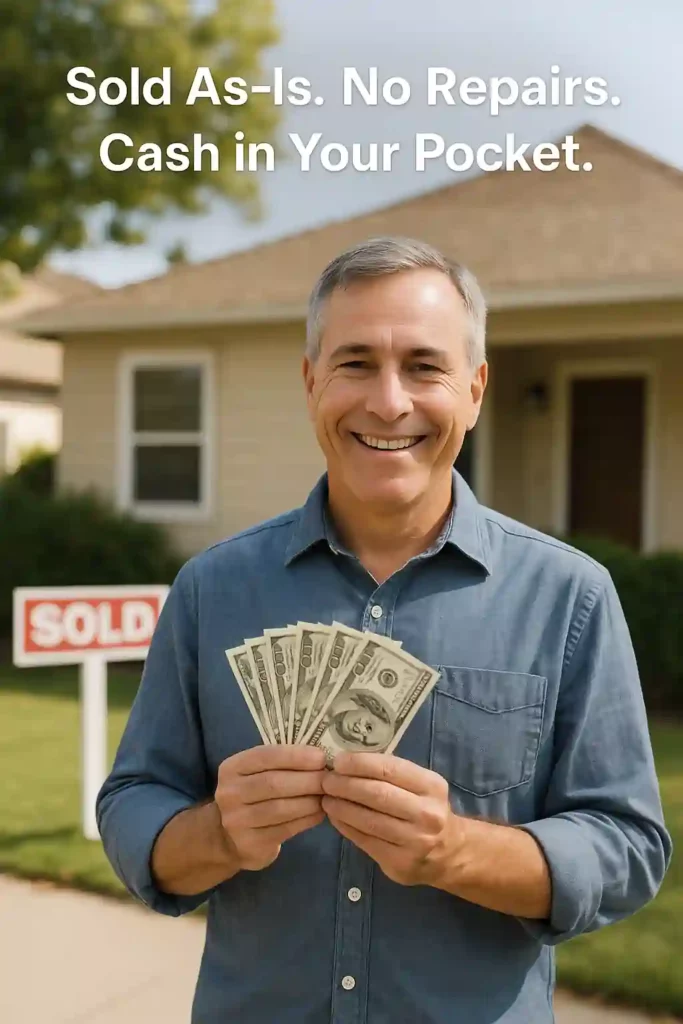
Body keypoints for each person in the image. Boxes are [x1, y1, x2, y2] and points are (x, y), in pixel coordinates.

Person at [97, 236, 672, 1024]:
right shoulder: (212, 588)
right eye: (356, 362)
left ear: (473, 390)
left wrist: (453, 851)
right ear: (310, 384)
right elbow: (133, 802)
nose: (389, 401)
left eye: (424, 367)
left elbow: (628, 846)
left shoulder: (569, 596)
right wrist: (217, 834)